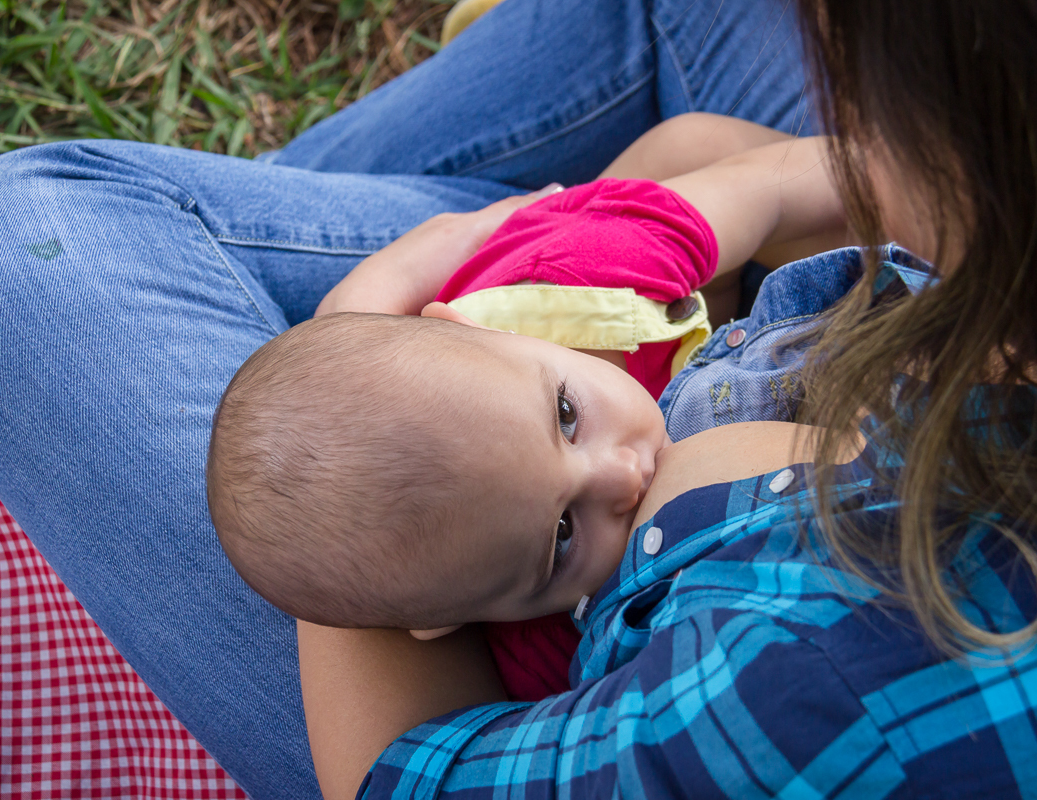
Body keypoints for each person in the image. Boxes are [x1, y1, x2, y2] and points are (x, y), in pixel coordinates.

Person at [0, 2, 1037, 800]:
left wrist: (346, 375)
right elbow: (734, 177)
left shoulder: (818, 682)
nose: (623, 473)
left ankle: (254, 289)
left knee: (23, 234)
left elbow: (403, 768)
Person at [205, 127, 848, 702]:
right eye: (563, 533)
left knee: (690, 147)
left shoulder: (591, 271)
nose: (625, 475)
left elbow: (774, 191)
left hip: (636, 264)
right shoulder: (544, 660)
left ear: (466, 324)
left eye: (567, 417)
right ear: (447, 622)